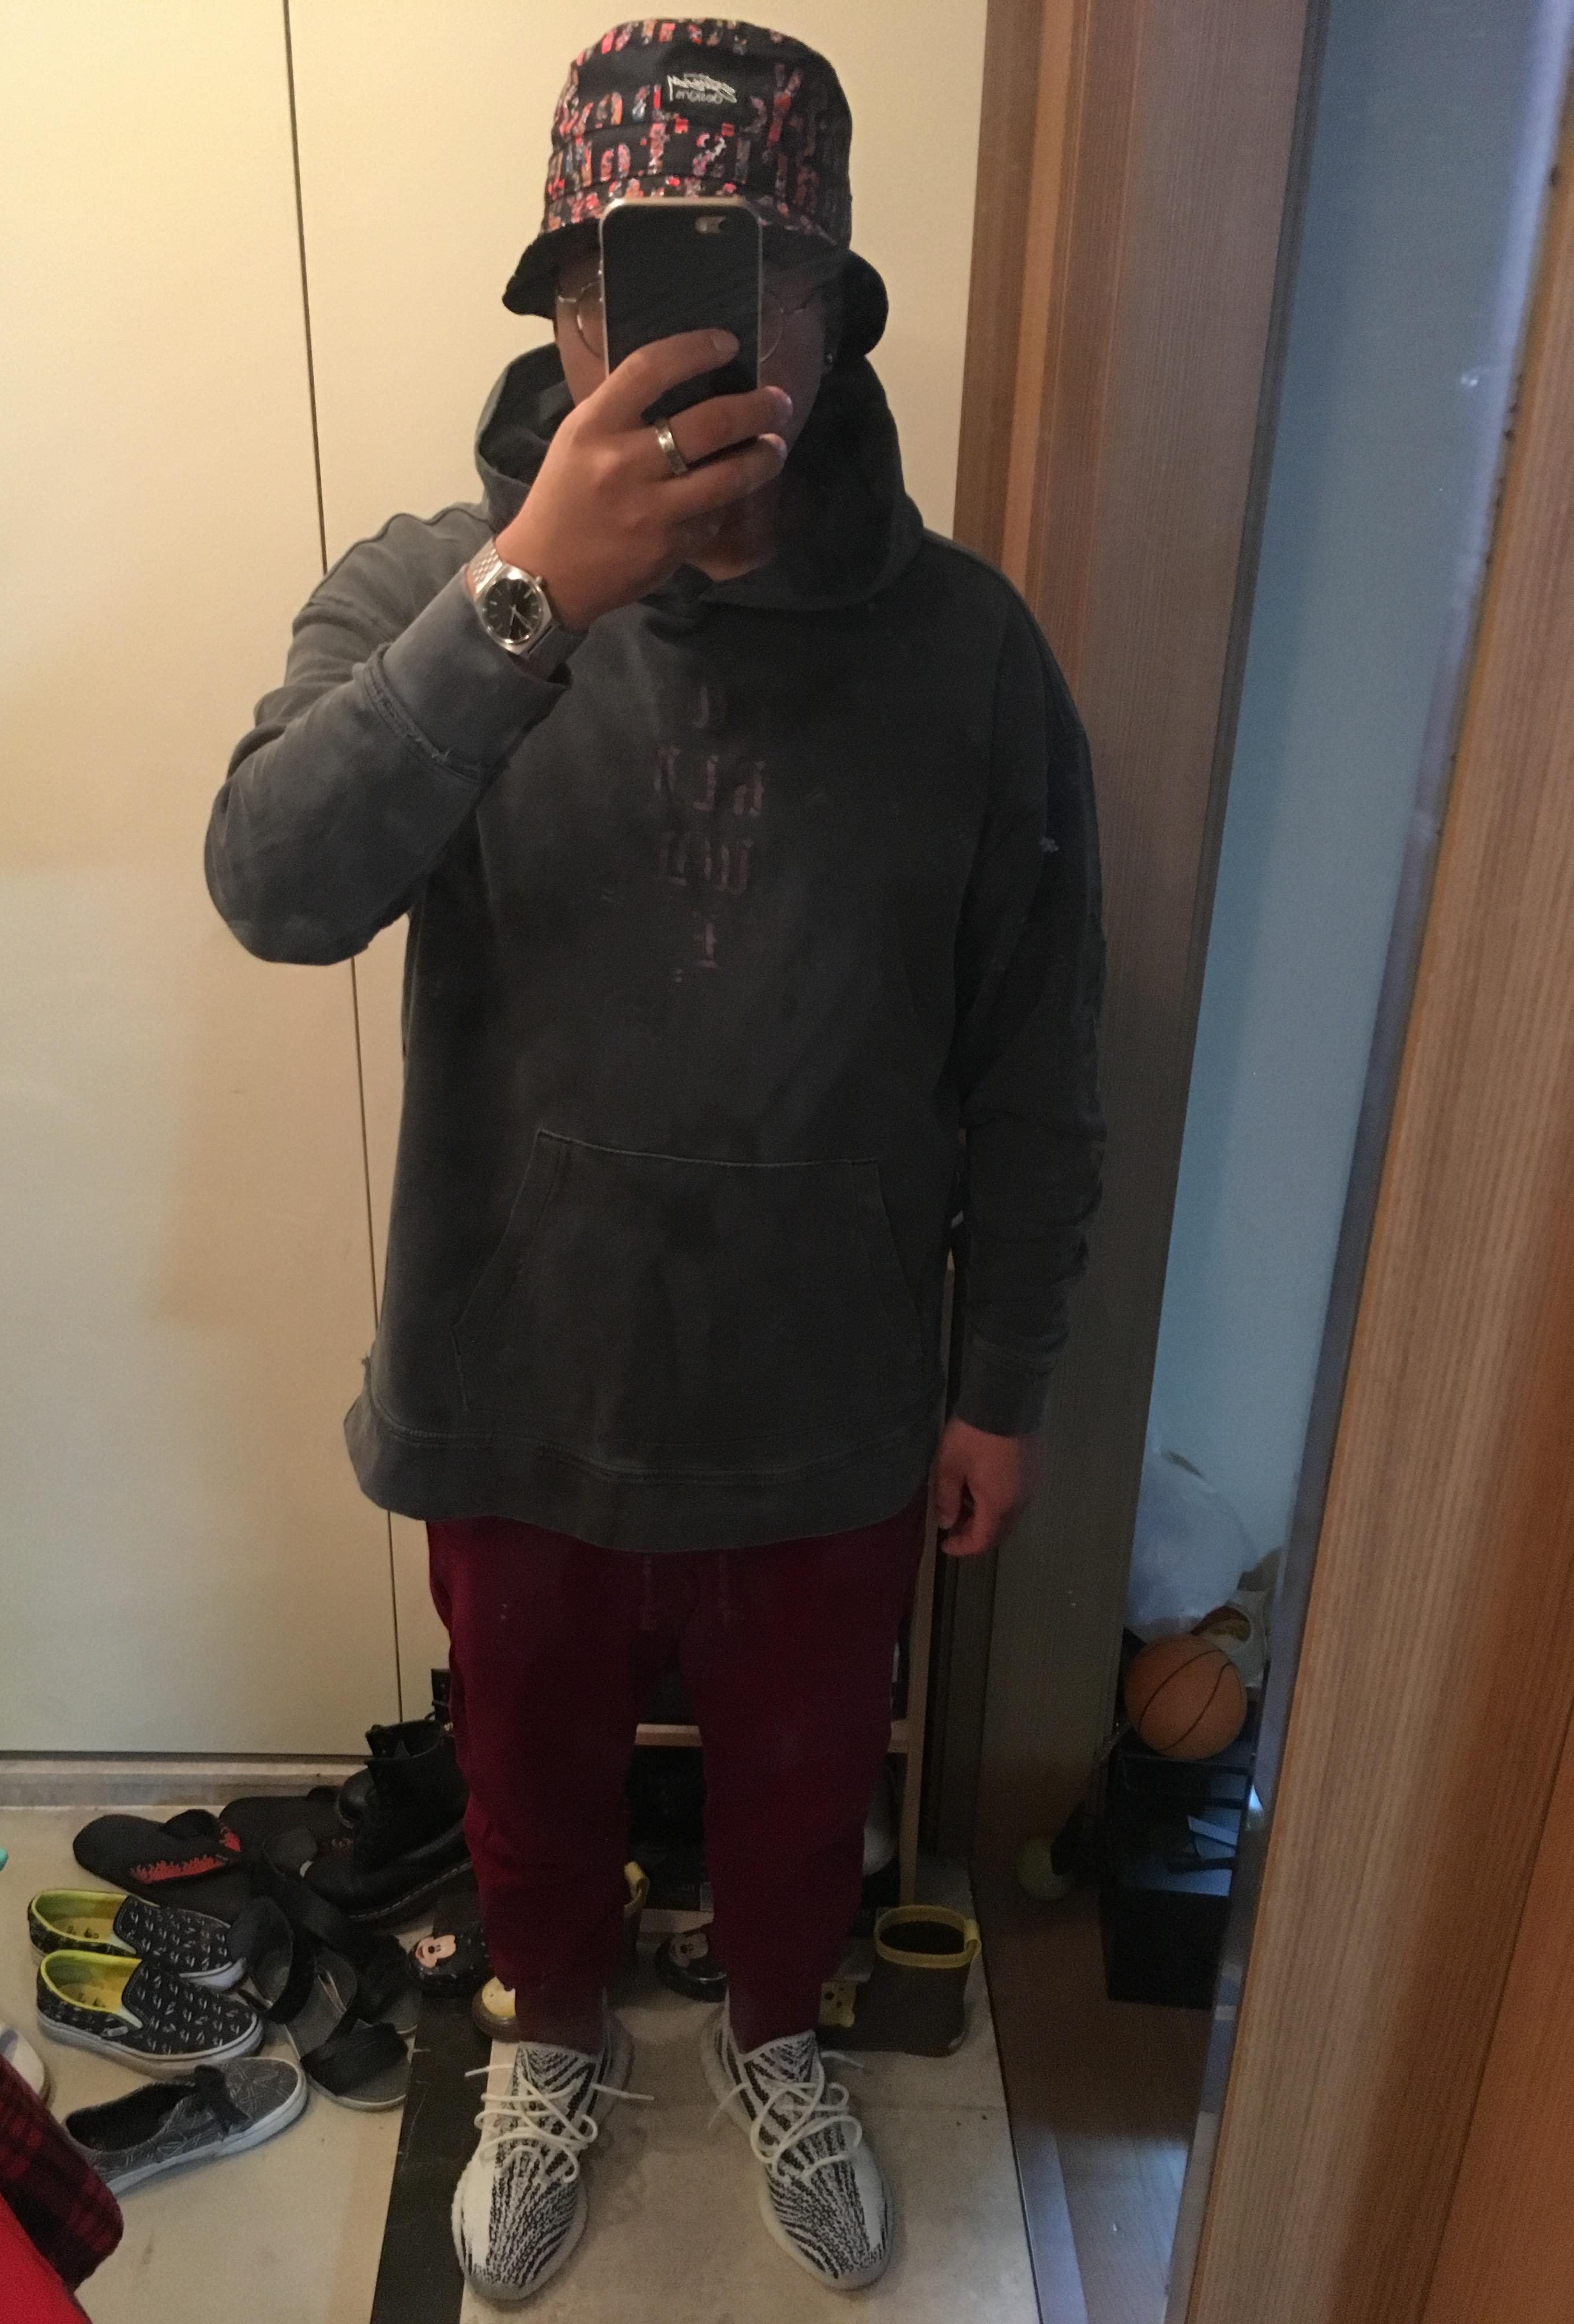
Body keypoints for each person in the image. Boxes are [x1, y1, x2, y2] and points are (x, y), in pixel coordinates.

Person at [206, 18, 1104, 2304]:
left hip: (831, 1397)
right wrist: (527, 601)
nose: (698, 330)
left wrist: (999, 1378)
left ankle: (785, 2030)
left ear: (839, 310)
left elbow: (1039, 1043)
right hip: (519, 1375)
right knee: (529, 1782)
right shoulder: (433, 593)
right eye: (628, 278)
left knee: (807, 1785)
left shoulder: (968, 653)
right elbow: (274, 887)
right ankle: (553, 2035)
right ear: (559, 312)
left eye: (759, 273)